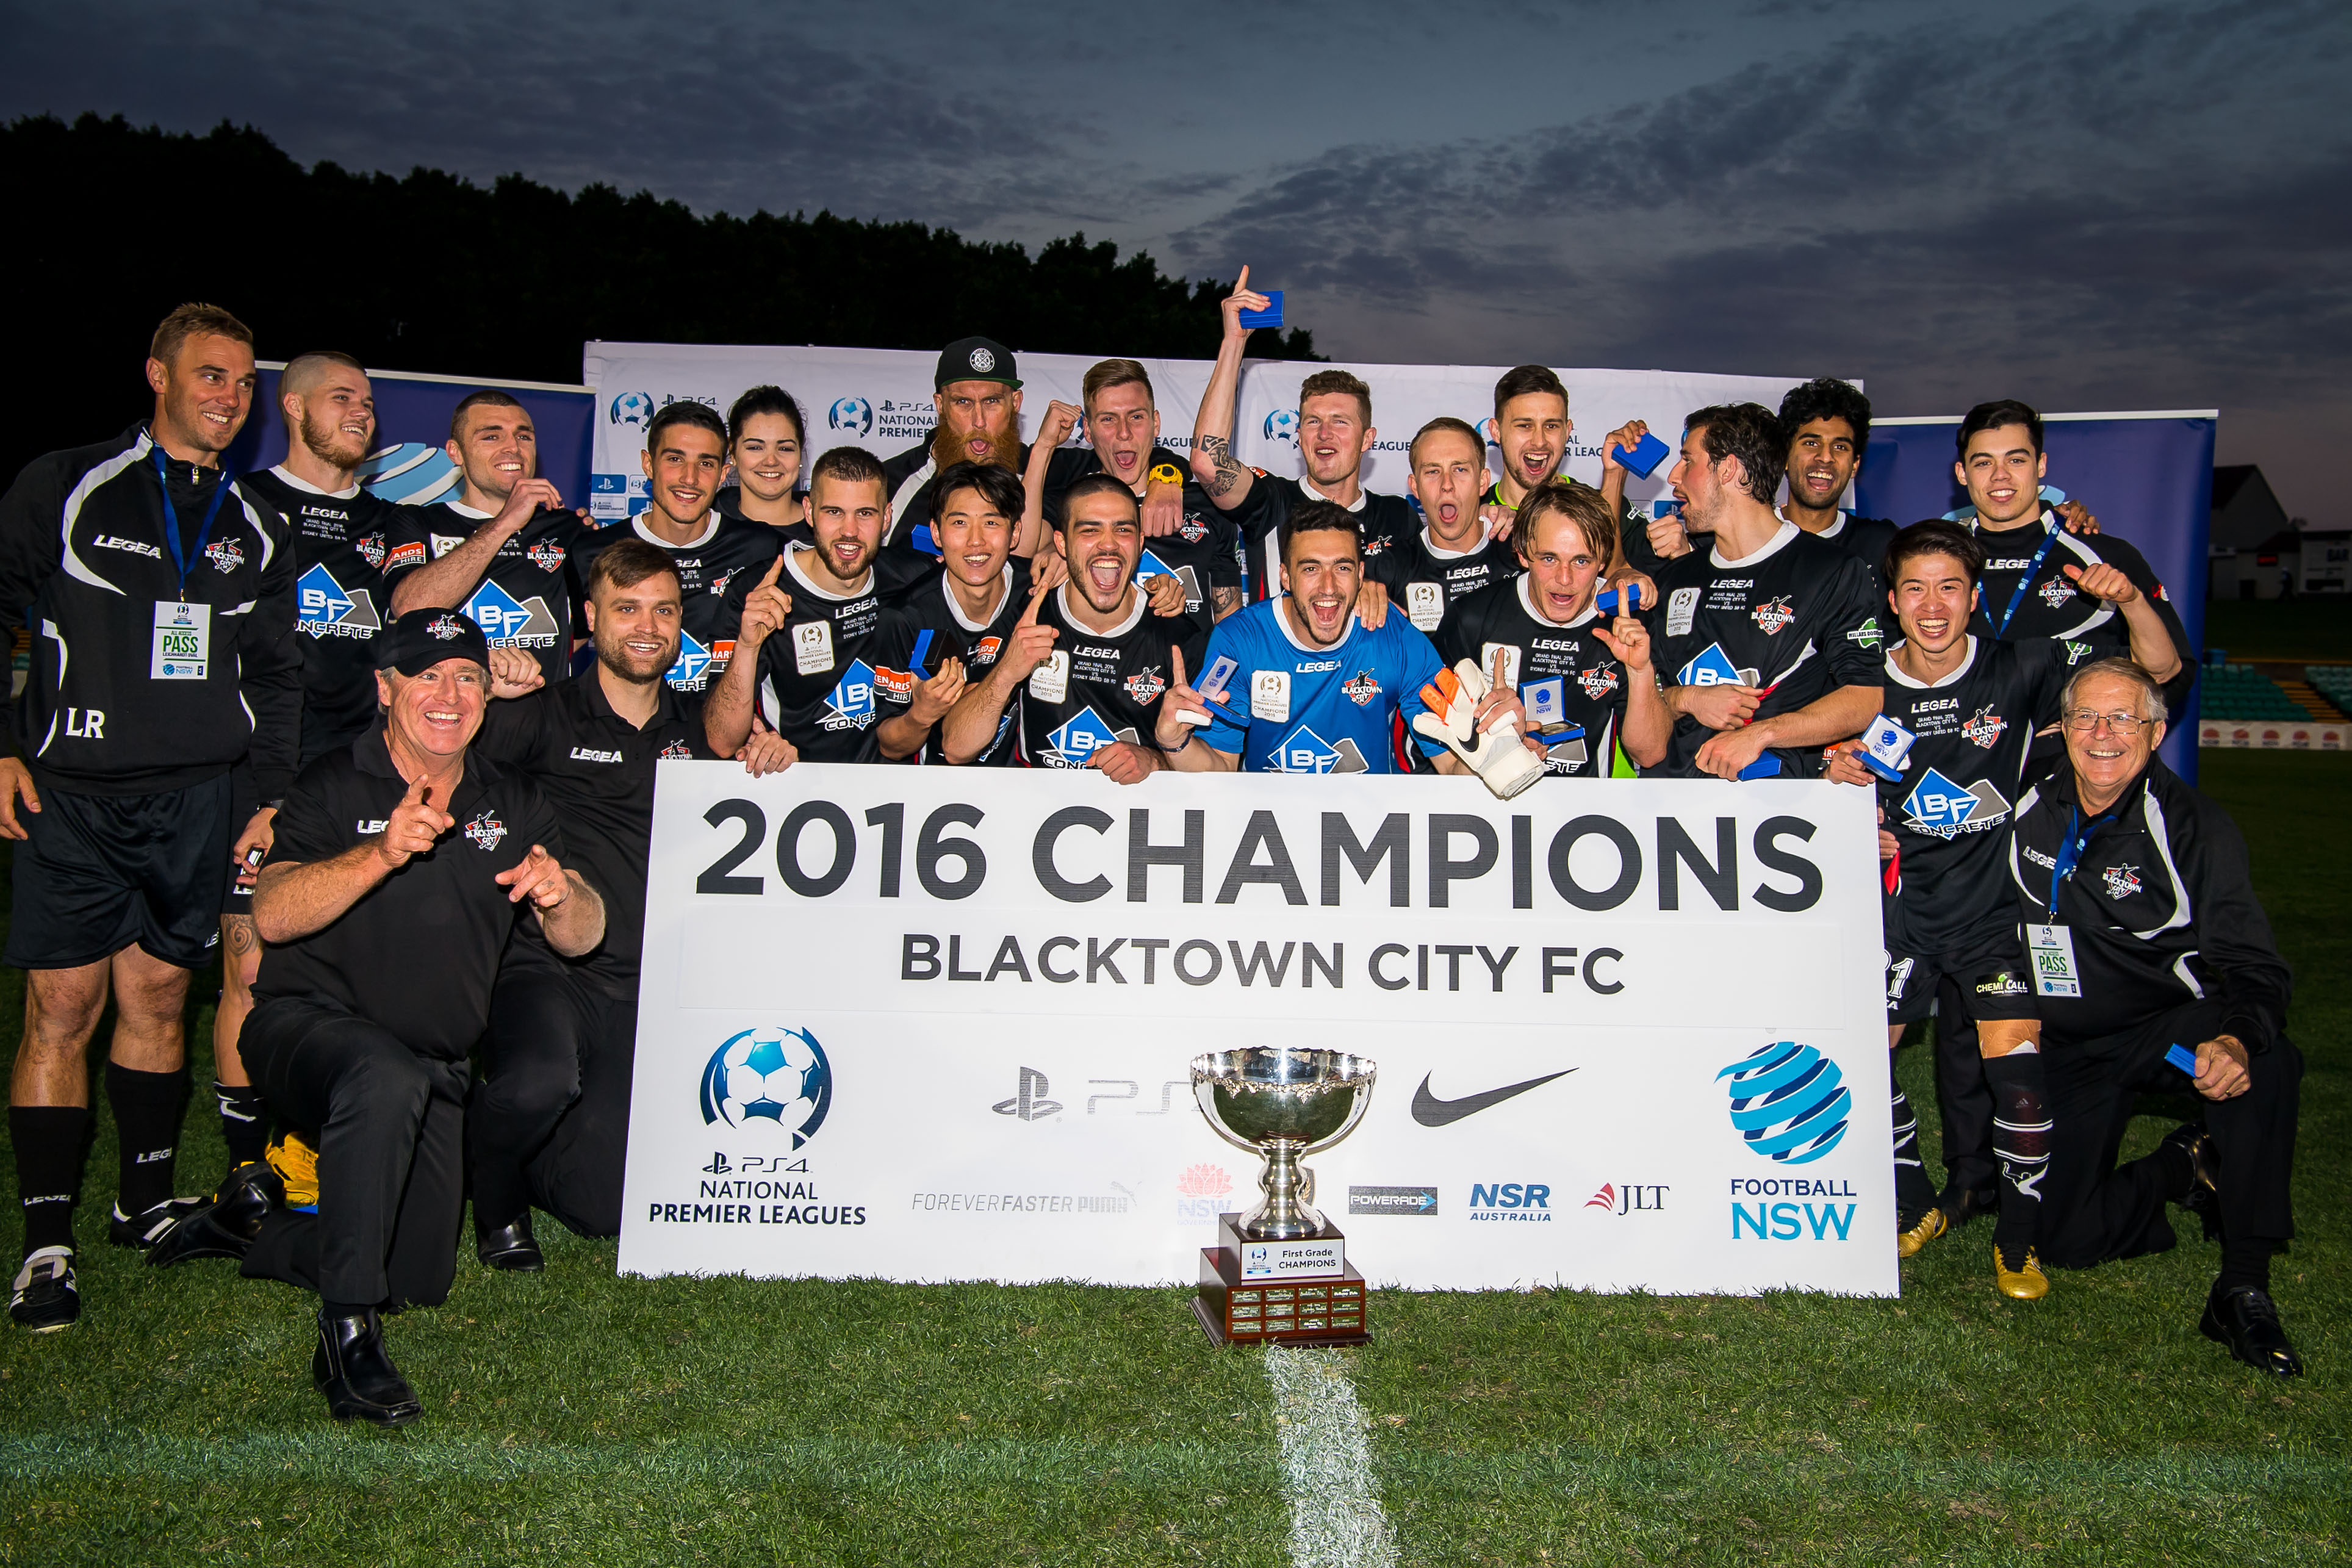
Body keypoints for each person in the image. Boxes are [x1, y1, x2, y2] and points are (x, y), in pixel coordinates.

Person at [157, 608, 602, 1423]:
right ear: (385, 688)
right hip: (305, 1029)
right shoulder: (336, 780)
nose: (450, 692)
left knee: (420, 1274)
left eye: (467, 675)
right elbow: (277, 914)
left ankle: (253, 1223)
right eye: (426, 674)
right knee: (379, 1074)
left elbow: (583, 935)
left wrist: (561, 893)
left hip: (430, 1061)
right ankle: (346, 1336)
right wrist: (382, 850)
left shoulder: (511, 798)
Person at [1, 304, 299, 1332]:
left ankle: (143, 1202)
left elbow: (278, 670)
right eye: (211, 376)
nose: (229, 396)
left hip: (199, 800)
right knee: (62, 1010)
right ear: (158, 377)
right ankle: (46, 1242)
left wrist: (269, 795)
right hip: (73, 795)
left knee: (161, 1001)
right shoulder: (67, 485)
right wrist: (2, 739)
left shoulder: (256, 519)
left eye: (244, 382)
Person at [1823, 522, 2177, 1281]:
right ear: (1892, 600)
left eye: (1949, 587)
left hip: (1994, 918)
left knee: (2017, 1081)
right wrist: (1843, 789)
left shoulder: (2021, 666)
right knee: (1862, 1058)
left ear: (1973, 597)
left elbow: (2158, 667)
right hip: (1897, 914)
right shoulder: (1861, 686)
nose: (1932, 604)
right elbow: (1809, 777)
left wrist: (2134, 599)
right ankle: (1913, 1196)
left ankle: (2017, 1238)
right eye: (1914, 588)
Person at [461, 541, 791, 1267]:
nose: (647, 625)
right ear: (590, 617)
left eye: (665, 610)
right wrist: (484, 685)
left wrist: (778, 763)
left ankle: (483, 1130)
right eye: (628, 608)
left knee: (601, 1204)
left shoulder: (699, 730)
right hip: (548, 967)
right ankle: (494, 1193)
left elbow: (750, 767)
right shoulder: (538, 715)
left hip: (652, 986)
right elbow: (443, 758)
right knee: (539, 1082)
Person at [2007, 658, 2303, 1375]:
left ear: (2157, 731)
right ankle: (2185, 1165)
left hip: (2160, 1038)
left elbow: (2257, 968)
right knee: (2065, 1238)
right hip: (2068, 1047)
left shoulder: (2197, 826)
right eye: (2087, 717)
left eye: (2123, 719)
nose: (2103, 733)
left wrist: (2235, 1037)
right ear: (2062, 726)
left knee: (2264, 1061)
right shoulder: (2025, 793)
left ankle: (2242, 1285)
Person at [212, 350, 403, 1195]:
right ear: (291, 408)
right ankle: (249, 1166)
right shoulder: (240, 506)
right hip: (259, 775)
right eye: (341, 398)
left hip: (361, 774)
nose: (360, 411)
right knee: (250, 963)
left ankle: (323, 1146)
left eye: (366, 400)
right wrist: (264, 788)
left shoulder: (393, 521)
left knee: (357, 963)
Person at [1154, 500, 1540, 784]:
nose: (1327, 587)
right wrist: (1172, 743)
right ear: (1285, 577)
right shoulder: (1241, 639)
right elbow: (1217, 770)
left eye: (1341, 567)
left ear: (1360, 575)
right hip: (1268, 832)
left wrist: (1496, 753)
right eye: (1310, 569)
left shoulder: (1396, 637)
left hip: (1370, 836)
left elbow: (1451, 767)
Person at [1642, 404, 1883, 780]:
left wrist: (1760, 735)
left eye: (1688, 460)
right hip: (1671, 813)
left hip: (1769, 819)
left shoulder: (1831, 570)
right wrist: (1687, 699)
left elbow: (1864, 698)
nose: (1674, 476)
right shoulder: (1676, 578)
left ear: (1729, 469)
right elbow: (1649, 707)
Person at [703, 447, 963, 763]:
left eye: (865, 513)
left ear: (887, 518)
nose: (849, 531)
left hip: (896, 793)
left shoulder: (917, 576)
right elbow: (722, 741)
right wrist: (746, 646)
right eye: (834, 512)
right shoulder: (758, 592)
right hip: (799, 790)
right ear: (810, 512)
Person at [937, 475, 1206, 779]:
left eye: (1123, 530)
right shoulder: (1028, 616)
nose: (1108, 544)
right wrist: (1005, 675)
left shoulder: (1178, 634)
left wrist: (1154, 762)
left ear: (1141, 543)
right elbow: (956, 748)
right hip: (1036, 812)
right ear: (1062, 543)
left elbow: (1217, 767)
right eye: (1090, 530)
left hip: (1137, 816)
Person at [873, 336, 1184, 595]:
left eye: (992, 401)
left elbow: (1123, 448)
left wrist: (1165, 479)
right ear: (940, 404)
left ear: (1016, 403)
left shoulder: (1047, 466)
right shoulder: (893, 481)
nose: (979, 421)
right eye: (963, 402)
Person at [1192, 268, 1417, 602]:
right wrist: (1234, 343)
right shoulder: (1272, 502)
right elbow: (1209, 464)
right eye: (1313, 422)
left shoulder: (1399, 517)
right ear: (1298, 435)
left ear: (1368, 439)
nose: (1324, 434)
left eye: (1340, 422)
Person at [1954, 401, 2192, 711]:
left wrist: (2088, 723)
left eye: (2016, 460)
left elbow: (2175, 675)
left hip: (2067, 754)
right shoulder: (1935, 559)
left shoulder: (2105, 556)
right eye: (1984, 463)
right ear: (1962, 473)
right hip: (1964, 751)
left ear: (2041, 465)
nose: (2000, 476)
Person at [1437, 483, 1669, 779]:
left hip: (1585, 815)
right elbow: (1435, 745)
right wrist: (1489, 739)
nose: (1564, 578)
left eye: (1581, 561)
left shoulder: (1626, 625)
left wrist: (1640, 671)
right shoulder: (1471, 616)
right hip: (1490, 807)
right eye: (1549, 558)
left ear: (1603, 561)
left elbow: (1650, 754)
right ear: (1522, 554)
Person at [383, 390, 596, 684]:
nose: (513, 448)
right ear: (455, 452)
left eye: (524, 437)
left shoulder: (569, 528)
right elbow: (410, 608)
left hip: (546, 722)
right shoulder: (417, 521)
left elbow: (587, 629)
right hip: (449, 719)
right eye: (492, 437)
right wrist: (504, 523)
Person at [580, 401, 781, 696]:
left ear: (724, 474)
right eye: (675, 459)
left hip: (724, 732)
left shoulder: (762, 548)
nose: (690, 478)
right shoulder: (592, 550)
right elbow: (566, 657)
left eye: (706, 463)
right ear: (648, 464)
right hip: (625, 733)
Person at [1026, 361, 1242, 623]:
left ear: (1156, 423)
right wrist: (1061, 551)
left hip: (1189, 663)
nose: (1124, 433)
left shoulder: (1208, 506)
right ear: (1088, 432)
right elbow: (1023, 550)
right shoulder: (1069, 501)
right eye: (1108, 419)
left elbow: (1229, 628)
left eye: (1136, 417)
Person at [1373, 417, 1522, 641]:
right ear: (1415, 487)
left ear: (1483, 482)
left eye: (1460, 469)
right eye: (1433, 472)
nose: (1447, 484)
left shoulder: (1520, 550)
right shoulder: (1387, 570)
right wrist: (1358, 593)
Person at [717, 385, 807, 531]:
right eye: (756, 448)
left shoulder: (829, 529)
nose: (771, 461)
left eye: (785, 449)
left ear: (800, 454)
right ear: (732, 452)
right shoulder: (706, 525)